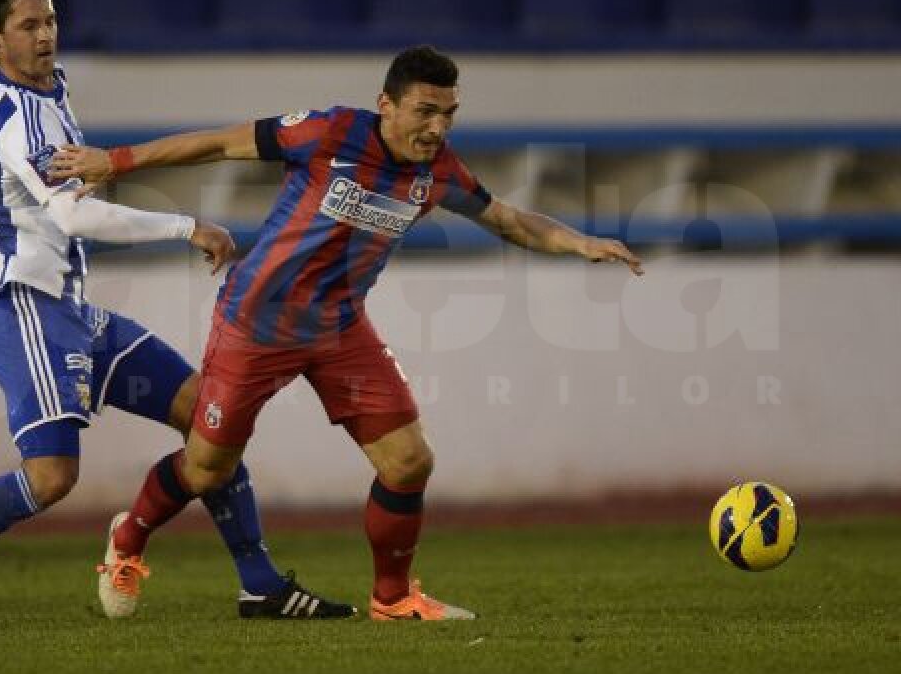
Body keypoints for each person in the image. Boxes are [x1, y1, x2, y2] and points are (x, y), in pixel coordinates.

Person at [49, 45, 645, 621]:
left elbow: (510, 221)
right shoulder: (328, 132)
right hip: (257, 322)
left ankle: (394, 599)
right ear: (386, 105)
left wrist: (581, 243)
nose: (438, 128)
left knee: (408, 461)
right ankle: (129, 536)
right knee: (207, 469)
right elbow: (219, 143)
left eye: (449, 114)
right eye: (425, 111)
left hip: (339, 327)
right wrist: (116, 161)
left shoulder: (438, 171)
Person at [0, 0, 353, 624]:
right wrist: (187, 227)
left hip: (68, 308)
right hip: (21, 307)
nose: (45, 35)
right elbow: (74, 216)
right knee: (53, 476)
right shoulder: (26, 117)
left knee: (207, 416)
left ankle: (260, 585)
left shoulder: (35, 88)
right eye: (28, 25)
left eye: (50, 21)